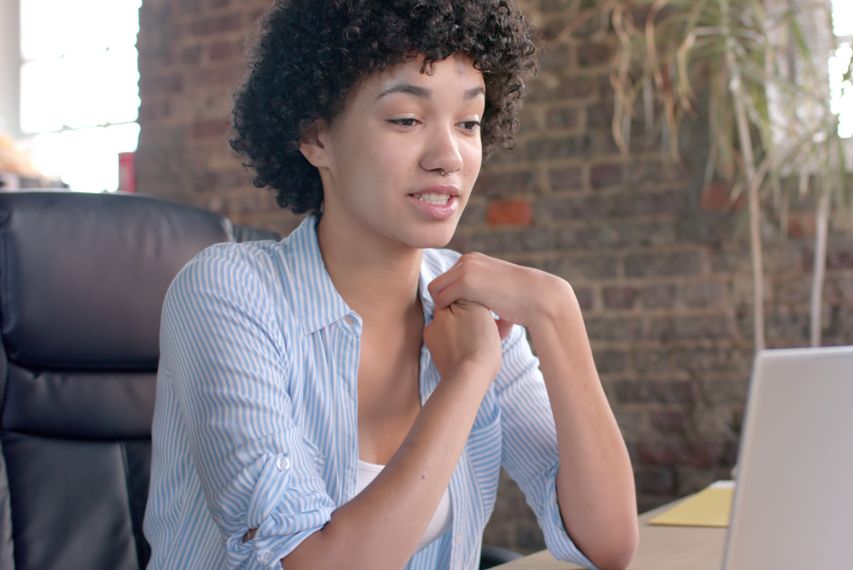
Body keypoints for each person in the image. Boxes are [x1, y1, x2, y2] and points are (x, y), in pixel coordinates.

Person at [143, 1, 639, 568]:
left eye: (469, 123)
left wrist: (557, 316)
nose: (449, 156)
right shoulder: (226, 293)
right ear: (316, 138)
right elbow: (311, 560)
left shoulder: (471, 303)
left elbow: (608, 542)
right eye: (406, 119)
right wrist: (468, 376)